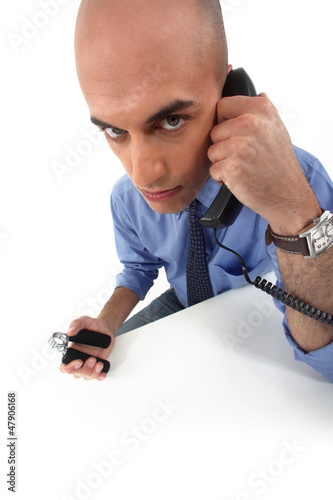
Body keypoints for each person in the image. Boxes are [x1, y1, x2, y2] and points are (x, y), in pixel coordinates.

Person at [60, 0, 333, 382]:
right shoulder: (126, 199)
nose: (144, 175)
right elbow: (138, 269)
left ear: (231, 92)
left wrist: (294, 211)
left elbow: (329, 364)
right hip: (184, 302)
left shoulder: (296, 178)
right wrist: (106, 322)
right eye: (115, 130)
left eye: (171, 120)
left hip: (259, 311)